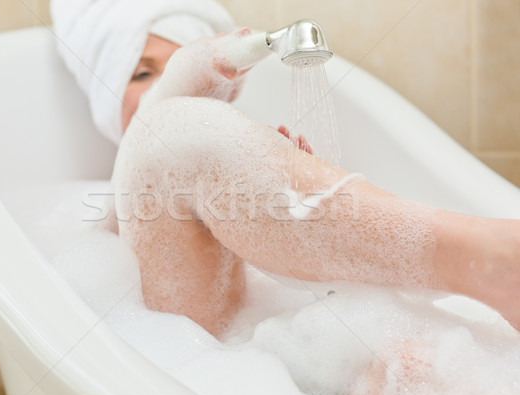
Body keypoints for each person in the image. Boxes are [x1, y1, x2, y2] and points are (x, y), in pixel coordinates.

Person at [108, 29, 520, 338]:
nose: (160, 88)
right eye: (143, 73)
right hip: (199, 360)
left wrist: (275, 195)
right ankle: (489, 258)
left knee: (408, 359)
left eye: (168, 70)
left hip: (288, 358)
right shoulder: (94, 215)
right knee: (165, 133)